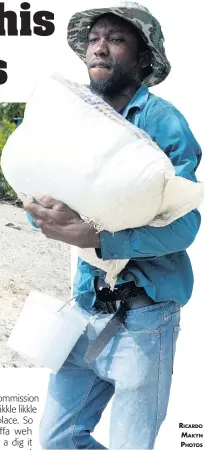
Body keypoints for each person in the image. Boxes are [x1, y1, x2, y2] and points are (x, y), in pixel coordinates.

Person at [22, 2, 202, 449]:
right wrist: (42, 214)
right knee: (58, 439)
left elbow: (184, 226)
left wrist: (101, 238)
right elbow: (37, 183)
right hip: (86, 306)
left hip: (145, 318)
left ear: (144, 57)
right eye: (95, 39)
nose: (100, 48)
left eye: (116, 39)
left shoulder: (162, 122)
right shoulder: (68, 113)